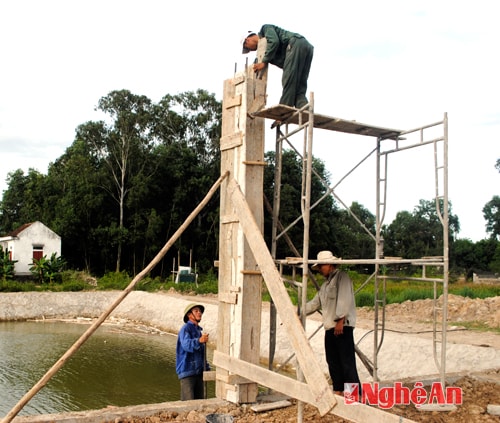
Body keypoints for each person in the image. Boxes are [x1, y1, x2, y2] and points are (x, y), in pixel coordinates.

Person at [305, 250, 361, 396]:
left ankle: (354, 394)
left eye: (322, 266)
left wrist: (340, 320)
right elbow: (314, 304)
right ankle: (338, 390)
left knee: (346, 362)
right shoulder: (325, 286)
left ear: (330, 265)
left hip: (342, 326)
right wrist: (298, 311)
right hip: (330, 327)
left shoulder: (342, 277)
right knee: (333, 361)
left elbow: (344, 299)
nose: (321, 269)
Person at [241, 24, 314, 108]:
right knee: (300, 85)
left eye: (248, 48)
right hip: (307, 48)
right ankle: (304, 109)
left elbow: (274, 41)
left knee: (288, 79)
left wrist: (264, 62)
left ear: (247, 41)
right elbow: (257, 63)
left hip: (296, 43)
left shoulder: (265, 29)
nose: (251, 50)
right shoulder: (264, 52)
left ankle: (283, 109)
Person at [175, 303, 210, 400]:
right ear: (189, 315)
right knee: (188, 402)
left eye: (200, 311)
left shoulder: (198, 331)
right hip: (187, 371)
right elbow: (186, 345)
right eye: (196, 311)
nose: (199, 313)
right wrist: (199, 341)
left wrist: (206, 368)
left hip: (198, 372)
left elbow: (201, 353)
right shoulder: (185, 329)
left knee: (200, 401)